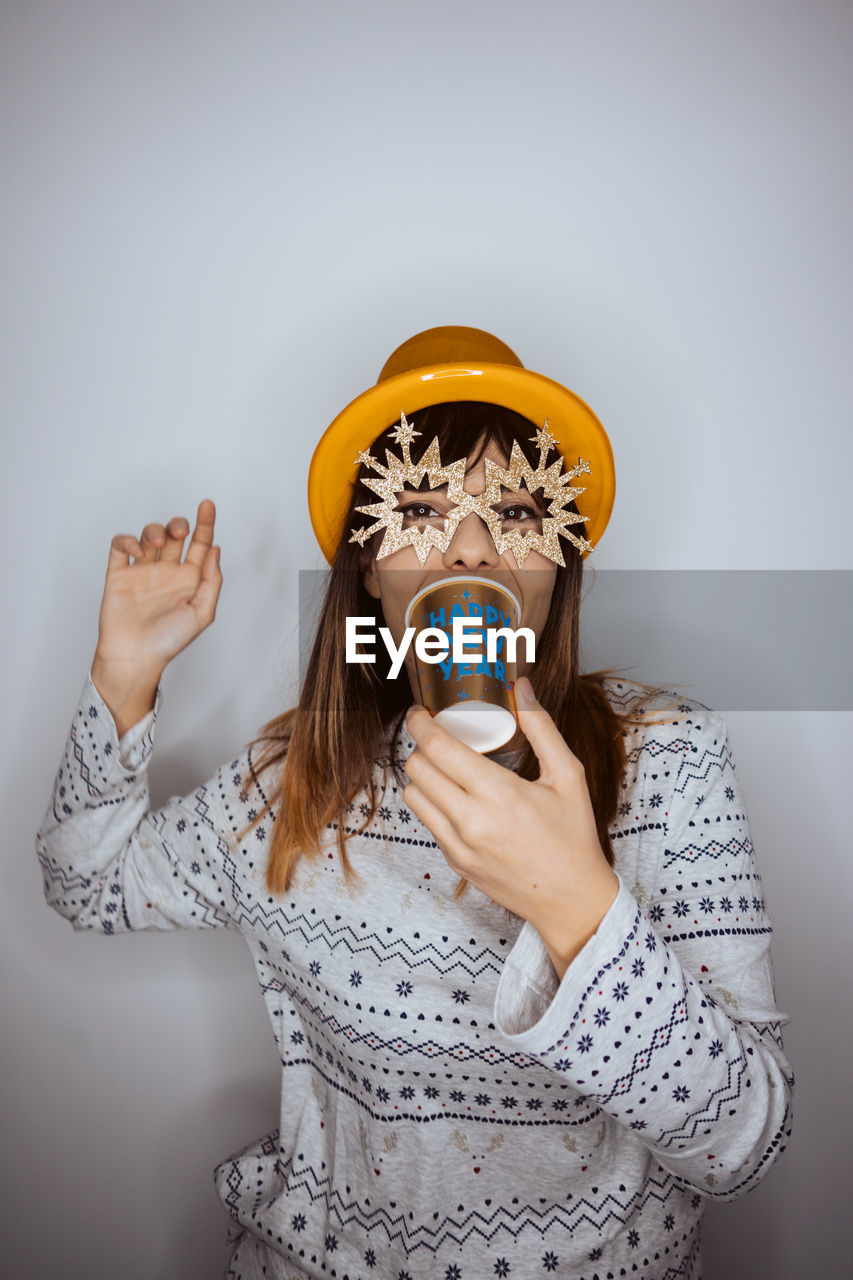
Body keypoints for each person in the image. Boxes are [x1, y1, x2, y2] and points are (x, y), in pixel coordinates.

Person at [36, 327, 794, 1280]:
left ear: (560, 561)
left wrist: (577, 909)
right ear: (369, 568)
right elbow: (84, 882)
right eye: (423, 507)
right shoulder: (285, 785)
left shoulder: (671, 762)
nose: (471, 545)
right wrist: (124, 674)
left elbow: (745, 1144)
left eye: (516, 508)